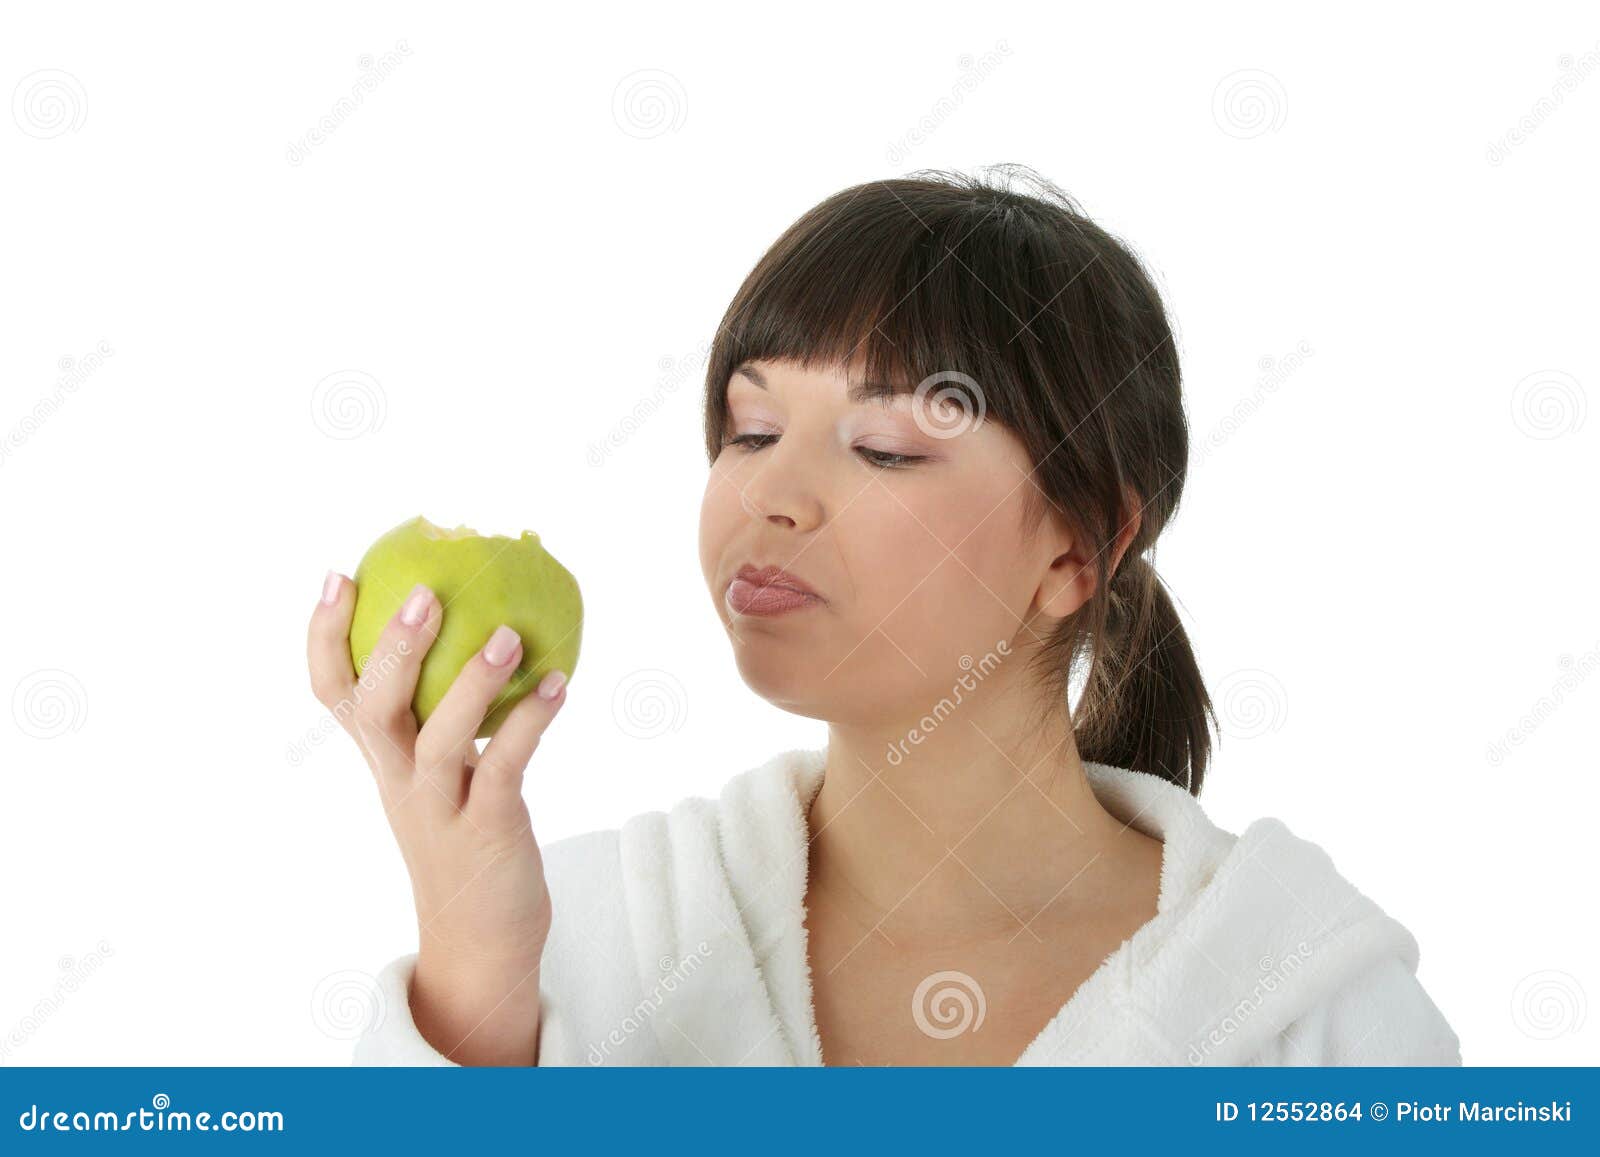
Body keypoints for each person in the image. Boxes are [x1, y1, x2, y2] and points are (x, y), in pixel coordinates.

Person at [307, 165, 1461, 1067]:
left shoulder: (1315, 1007)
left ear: (1077, 546)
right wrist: (471, 980)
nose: (767, 492)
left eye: (884, 445)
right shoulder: (588, 933)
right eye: (750, 429)